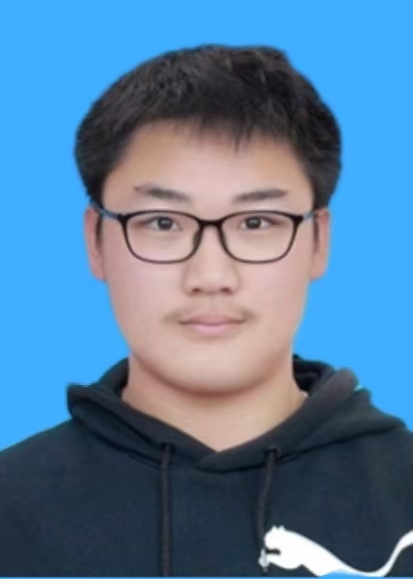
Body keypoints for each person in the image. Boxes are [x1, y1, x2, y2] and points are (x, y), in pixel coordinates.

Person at [1, 43, 413, 578]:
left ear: (319, 242)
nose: (211, 276)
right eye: (163, 223)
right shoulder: (12, 507)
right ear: (95, 242)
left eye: (257, 222)